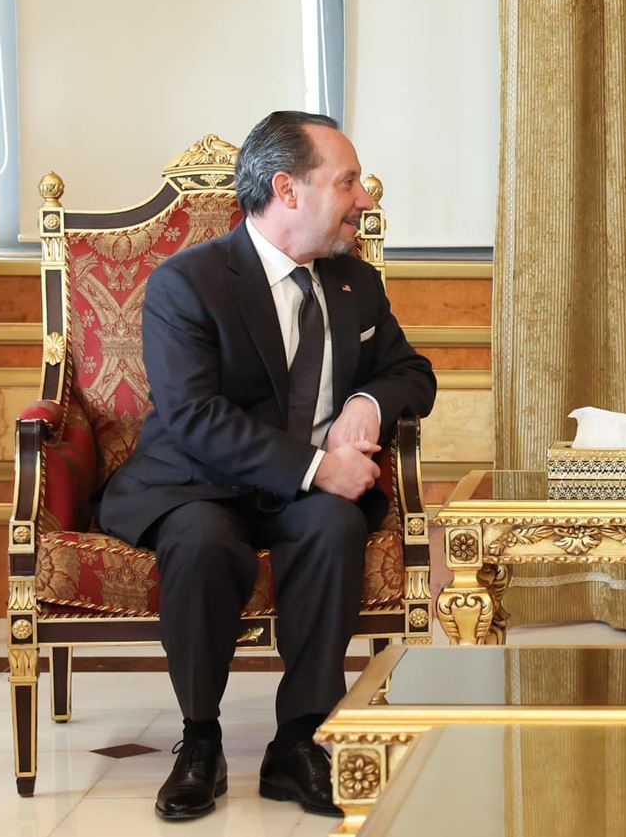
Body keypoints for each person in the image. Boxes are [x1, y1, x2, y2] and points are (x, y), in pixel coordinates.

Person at [99, 110, 437, 821]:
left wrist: (369, 402)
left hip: (305, 492)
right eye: (347, 182)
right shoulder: (188, 283)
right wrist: (316, 466)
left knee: (334, 527)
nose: (363, 198)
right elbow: (194, 416)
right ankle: (200, 740)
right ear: (288, 189)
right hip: (201, 481)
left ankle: (299, 743)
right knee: (201, 542)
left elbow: (413, 372)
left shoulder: (354, 283)